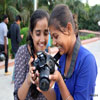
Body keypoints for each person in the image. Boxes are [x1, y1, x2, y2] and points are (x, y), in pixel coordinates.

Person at [31, 4, 98, 100]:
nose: (53, 42)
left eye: (56, 36)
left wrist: (60, 80)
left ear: (69, 29)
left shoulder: (87, 61)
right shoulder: (63, 57)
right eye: (52, 37)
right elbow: (56, 97)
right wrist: (41, 82)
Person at [14, 9, 49, 100]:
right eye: (38, 34)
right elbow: (17, 97)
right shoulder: (23, 53)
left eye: (46, 33)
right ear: (31, 34)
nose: (42, 39)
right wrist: (29, 79)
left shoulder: (48, 58)